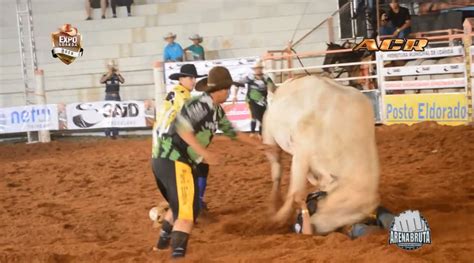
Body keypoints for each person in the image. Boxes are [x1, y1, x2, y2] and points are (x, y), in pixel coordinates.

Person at [152, 66, 260, 258]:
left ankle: (161, 245)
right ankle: (178, 257)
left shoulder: (215, 110)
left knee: (185, 207)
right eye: (228, 88)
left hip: (175, 160)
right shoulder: (201, 104)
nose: (229, 92)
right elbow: (182, 128)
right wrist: (204, 153)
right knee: (186, 215)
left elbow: (233, 132)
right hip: (175, 159)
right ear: (222, 89)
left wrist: (260, 145)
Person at [152, 64, 209, 211]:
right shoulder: (183, 95)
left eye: (194, 78)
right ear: (181, 78)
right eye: (190, 77)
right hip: (171, 139)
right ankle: (195, 202)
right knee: (198, 166)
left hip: (161, 138)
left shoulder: (176, 92)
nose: (194, 81)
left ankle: (188, 202)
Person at [292, 190, 395, 238]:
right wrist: (303, 207)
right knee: (377, 234)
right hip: (352, 227)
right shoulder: (302, 218)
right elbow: (307, 235)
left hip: (366, 213)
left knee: (385, 217)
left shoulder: (319, 195)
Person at [233, 60, 276, 137]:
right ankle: (258, 133)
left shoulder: (266, 78)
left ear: (261, 69)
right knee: (258, 115)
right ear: (254, 70)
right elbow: (237, 84)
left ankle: (254, 133)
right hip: (252, 100)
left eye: (259, 68)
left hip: (263, 101)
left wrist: (271, 92)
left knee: (257, 116)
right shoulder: (250, 77)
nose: (258, 70)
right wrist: (235, 96)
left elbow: (272, 87)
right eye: (256, 68)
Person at [100, 59, 124, 139]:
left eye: (113, 66)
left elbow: (122, 81)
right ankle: (107, 134)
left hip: (117, 96)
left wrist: (118, 73)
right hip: (109, 96)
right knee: (108, 114)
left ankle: (115, 133)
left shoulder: (117, 75)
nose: (112, 67)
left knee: (117, 114)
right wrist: (108, 75)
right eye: (110, 66)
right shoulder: (105, 75)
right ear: (108, 67)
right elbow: (101, 81)